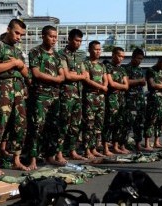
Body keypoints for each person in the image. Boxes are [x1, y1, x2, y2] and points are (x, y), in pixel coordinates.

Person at [0, 19, 29, 175]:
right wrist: (13, 65)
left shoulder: (18, 52)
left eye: (21, 35)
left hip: (18, 90)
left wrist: (19, 64)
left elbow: (26, 73)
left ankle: (16, 160)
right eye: (16, 33)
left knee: (20, 125)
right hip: (2, 90)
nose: (19, 37)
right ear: (8, 29)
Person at [26, 25, 65, 169]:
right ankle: (33, 159)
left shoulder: (56, 55)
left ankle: (50, 156)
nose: (54, 39)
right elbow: (36, 73)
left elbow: (62, 74)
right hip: (40, 96)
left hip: (54, 96)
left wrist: (57, 79)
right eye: (51, 36)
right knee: (37, 127)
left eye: (56, 37)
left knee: (53, 128)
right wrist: (56, 79)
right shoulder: (35, 52)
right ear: (43, 36)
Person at [58, 29, 88, 161]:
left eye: (80, 41)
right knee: (63, 124)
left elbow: (85, 74)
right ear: (69, 39)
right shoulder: (61, 54)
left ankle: (72, 150)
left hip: (78, 94)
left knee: (75, 125)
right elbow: (67, 76)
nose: (78, 43)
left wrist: (77, 76)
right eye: (76, 40)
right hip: (66, 94)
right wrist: (78, 76)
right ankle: (58, 153)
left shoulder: (80, 55)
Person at [82, 41, 108, 159]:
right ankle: (87, 150)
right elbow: (87, 79)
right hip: (90, 97)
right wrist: (101, 87)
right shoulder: (86, 63)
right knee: (89, 124)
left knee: (98, 124)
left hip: (101, 98)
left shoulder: (102, 66)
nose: (98, 51)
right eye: (96, 49)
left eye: (99, 49)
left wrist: (105, 85)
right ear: (90, 50)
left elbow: (105, 79)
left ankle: (94, 148)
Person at [143, 56, 162, 150]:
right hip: (153, 99)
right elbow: (152, 85)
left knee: (160, 121)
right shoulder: (150, 70)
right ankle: (147, 143)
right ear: (159, 62)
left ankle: (157, 142)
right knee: (150, 121)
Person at [105, 47, 129, 155]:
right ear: (113, 54)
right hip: (111, 99)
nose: (121, 58)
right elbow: (111, 84)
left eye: (123, 57)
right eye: (119, 56)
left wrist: (119, 86)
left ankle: (115, 146)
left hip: (121, 99)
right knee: (109, 123)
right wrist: (121, 86)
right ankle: (105, 148)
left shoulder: (122, 69)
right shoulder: (107, 66)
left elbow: (127, 85)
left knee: (119, 124)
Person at [122, 48, 147, 152]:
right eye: (138, 58)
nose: (139, 61)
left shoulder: (140, 70)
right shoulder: (126, 68)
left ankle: (137, 143)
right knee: (127, 123)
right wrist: (139, 81)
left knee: (139, 124)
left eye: (141, 59)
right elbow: (126, 82)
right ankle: (122, 144)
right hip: (130, 100)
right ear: (133, 57)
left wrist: (142, 82)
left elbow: (143, 83)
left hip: (140, 100)